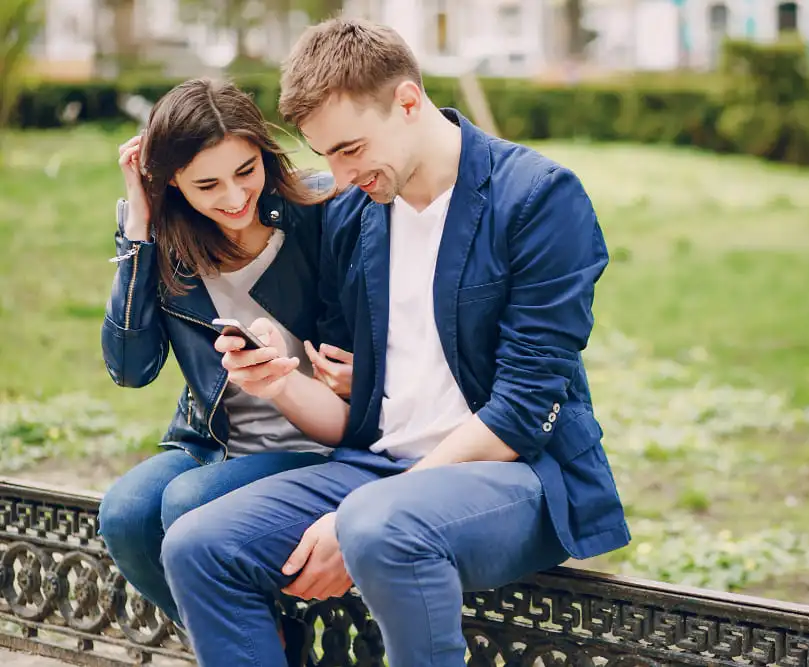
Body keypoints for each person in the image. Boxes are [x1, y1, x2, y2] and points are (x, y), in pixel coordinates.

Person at [160, 18, 630, 667]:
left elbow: (521, 416)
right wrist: (280, 378)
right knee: (196, 545)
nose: (340, 175)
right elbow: (356, 419)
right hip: (376, 468)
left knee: (380, 527)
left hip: (516, 477)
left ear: (409, 102)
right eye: (325, 154)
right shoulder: (357, 215)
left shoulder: (537, 199)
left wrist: (363, 508)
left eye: (350, 149)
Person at [98, 78, 353, 626]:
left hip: (320, 442)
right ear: (173, 185)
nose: (235, 198)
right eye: (207, 184)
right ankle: (254, 642)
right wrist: (137, 233)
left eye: (246, 171)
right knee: (124, 514)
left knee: (189, 503)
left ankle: (246, 641)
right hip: (215, 442)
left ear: (264, 153)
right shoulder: (165, 245)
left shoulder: (323, 211)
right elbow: (130, 368)